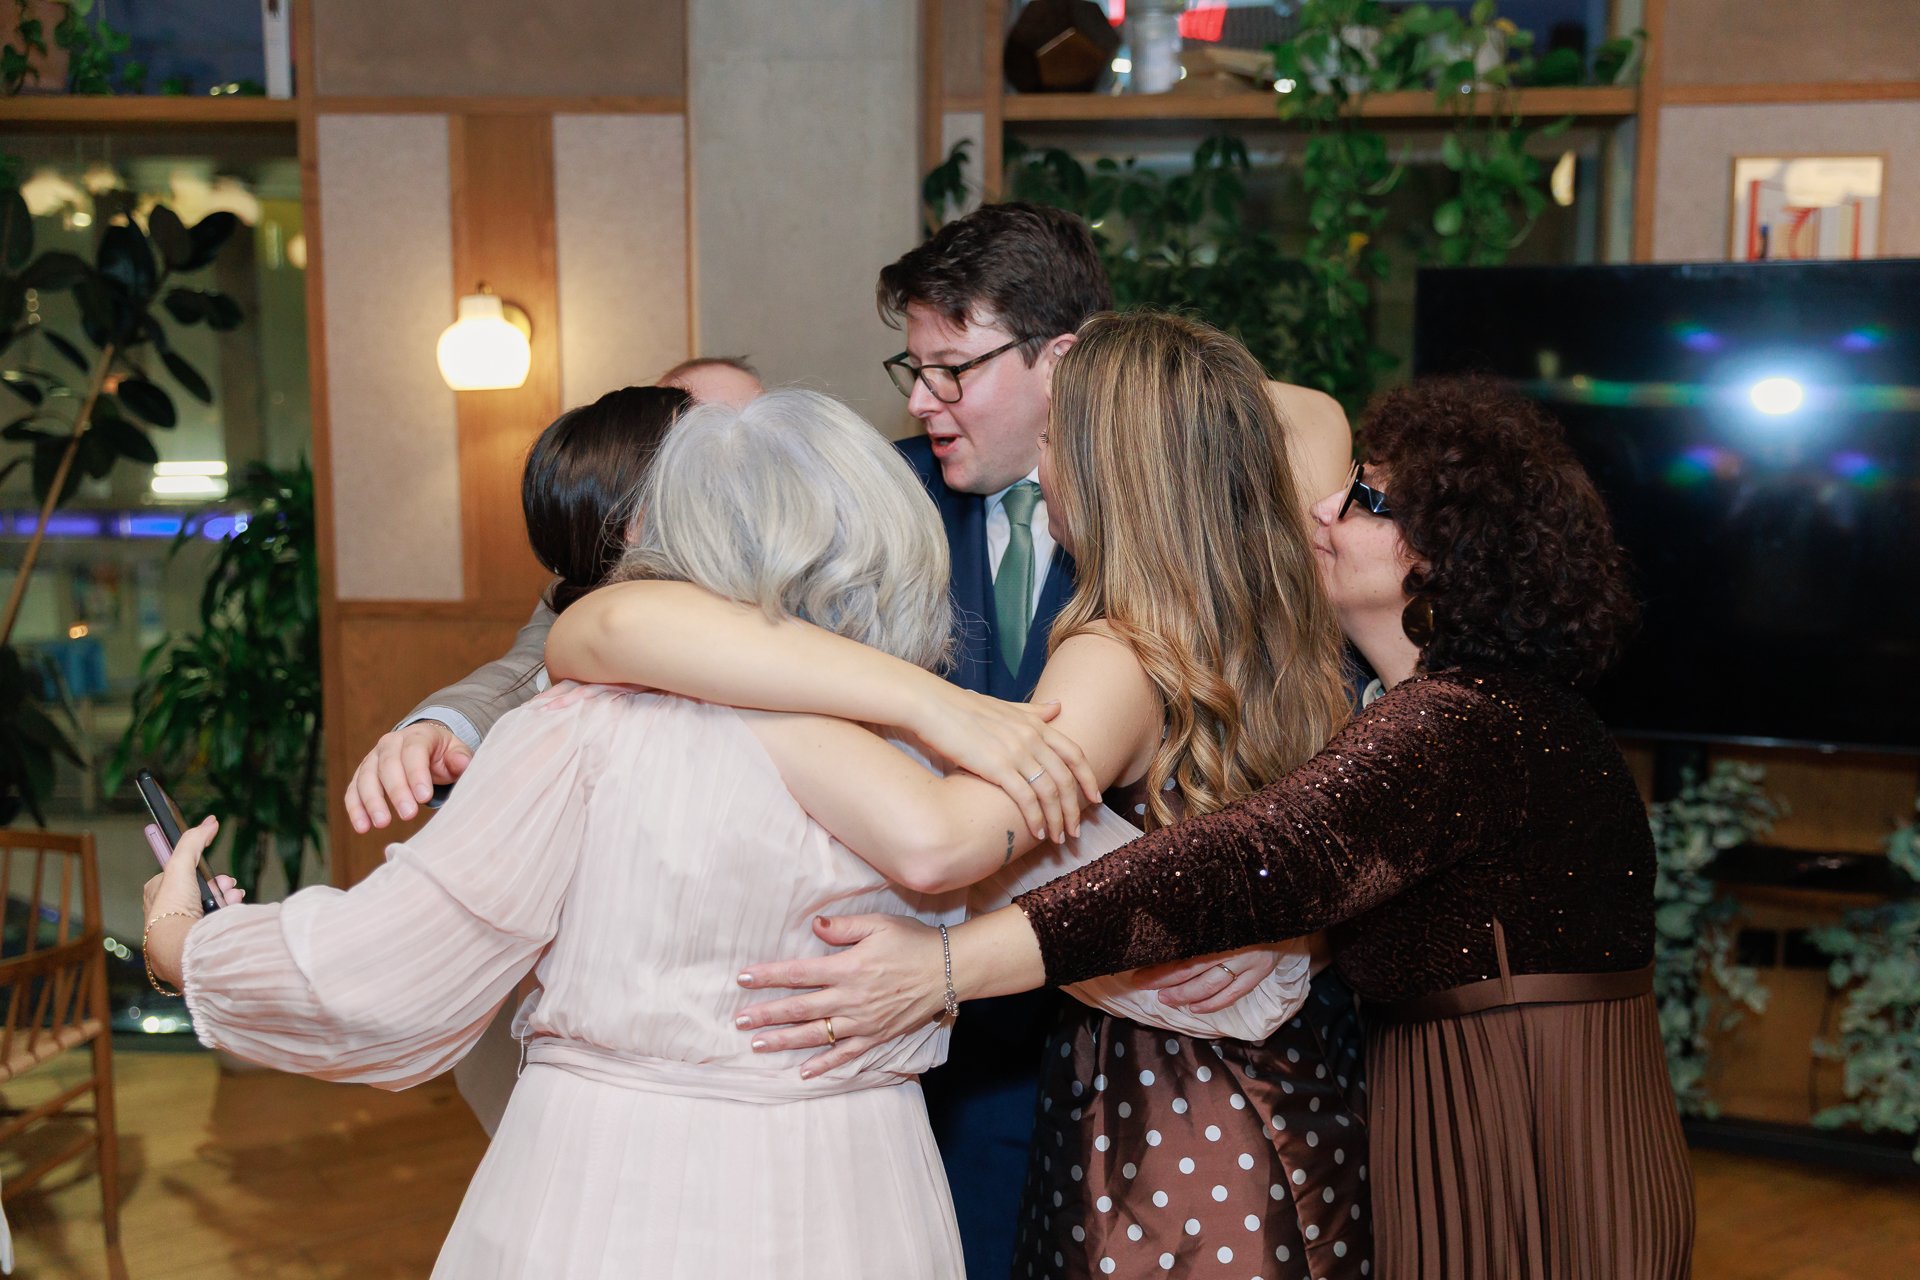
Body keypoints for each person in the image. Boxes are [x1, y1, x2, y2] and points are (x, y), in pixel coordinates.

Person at [726, 376, 1696, 1280]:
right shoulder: (1488, 708)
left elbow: (1248, 860)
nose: (1321, 507)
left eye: (1363, 500)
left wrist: (947, 965)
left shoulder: (1457, 723)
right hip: (1524, 1120)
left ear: (1438, 555)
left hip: (1514, 1138)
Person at [139, 390, 1041, 1278]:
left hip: (615, 1187)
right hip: (864, 1193)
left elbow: (380, 976)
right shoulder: (949, 755)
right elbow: (1104, 896)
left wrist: (185, 944)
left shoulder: (582, 729)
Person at [545, 312, 1370, 1278]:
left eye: (1060, 434)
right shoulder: (1280, 623)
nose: (1043, 459)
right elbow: (1305, 415)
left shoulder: (1118, 655)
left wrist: (755, 709)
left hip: (1175, 1116)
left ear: (1114, 466)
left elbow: (945, 845)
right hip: (1300, 1088)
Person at [342, 363, 761, 835]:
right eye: (703, 438)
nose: (736, 452)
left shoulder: (835, 567)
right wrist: (437, 729)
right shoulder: (595, 607)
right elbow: (521, 672)